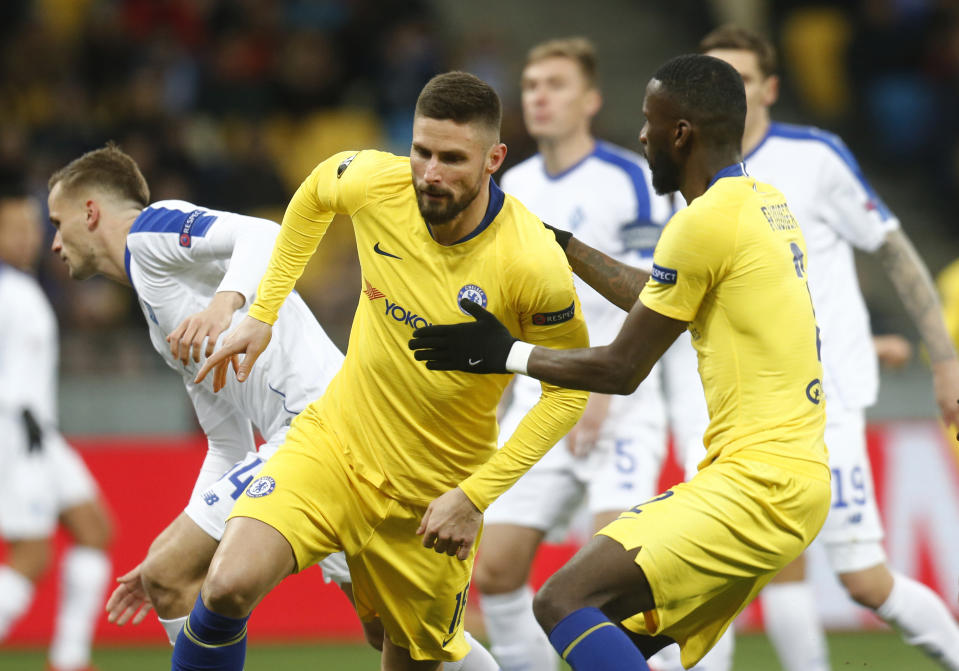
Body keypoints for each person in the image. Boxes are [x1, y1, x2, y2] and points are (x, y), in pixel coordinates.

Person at [410, 53, 836, 670]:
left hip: (757, 485)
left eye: (649, 121)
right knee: (617, 638)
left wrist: (506, 354)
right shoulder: (762, 204)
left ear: (680, 133)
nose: (641, 136)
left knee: (562, 600)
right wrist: (562, 245)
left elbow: (622, 369)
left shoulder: (703, 224)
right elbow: (655, 297)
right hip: (793, 478)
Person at [171, 71, 590, 671]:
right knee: (226, 585)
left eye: (453, 158)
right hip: (336, 446)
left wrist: (474, 498)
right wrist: (263, 312)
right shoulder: (377, 182)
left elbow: (567, 389)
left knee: (403, 653)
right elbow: (316, 192)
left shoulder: (530, 263)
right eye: (422, 152)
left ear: (494, 158)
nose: (430, 173)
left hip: (434, 497)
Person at [45, 144, 498, 671]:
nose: (54, 242)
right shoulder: (156, 312)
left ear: (91, 211)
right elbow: (226, 443)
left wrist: (226, 302)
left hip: (327, 424)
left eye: (58, 222)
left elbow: (266, 232)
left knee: (172, 577)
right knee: (397, 635)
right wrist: (192, 525)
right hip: (325, 441)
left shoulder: (151, 232)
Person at [698, 25, 959, 671]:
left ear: (770, 88)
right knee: (723, 571)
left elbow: (893, 252)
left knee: (863, 580)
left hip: (827, 401)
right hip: (746, 407)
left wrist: (945, 359)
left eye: (738, 80)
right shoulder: (693, 171)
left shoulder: (812, 155)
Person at [473, 37, 727, 671]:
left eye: (555, 84)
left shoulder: (629, 178)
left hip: (619, 400)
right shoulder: (511, 186)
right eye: (530, 86)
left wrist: (596, 395)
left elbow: (656, 295)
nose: (538, 97)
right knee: (497, 571)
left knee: (617, 587)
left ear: (590, 99)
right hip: (536, 400)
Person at [0, 183, 113, 671]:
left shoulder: (24, 287)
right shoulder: (7, 290)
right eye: (14, 228)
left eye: (31, 226)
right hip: (13, 428)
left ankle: (68, 660)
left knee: (95, 529)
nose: (27, 237)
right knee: (32, 553)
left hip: (41, 432)